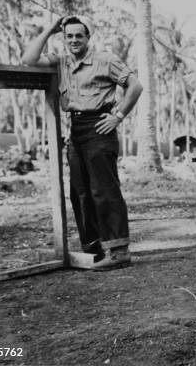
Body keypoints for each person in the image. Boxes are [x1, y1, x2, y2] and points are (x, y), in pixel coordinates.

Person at [21, 15, 143, 270]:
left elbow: (135, 86)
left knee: (104, 190)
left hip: (100, 127)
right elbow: (28, 59)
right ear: (64, 39)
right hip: (76, 129)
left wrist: (118, 116)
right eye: (69, 36)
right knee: (81, 191)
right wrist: (49, 30)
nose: (74, 40)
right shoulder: (61, 62)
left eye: (79, 35)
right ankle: (95, 248)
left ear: (89, 37)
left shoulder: (105, 60)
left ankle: (118, 251)